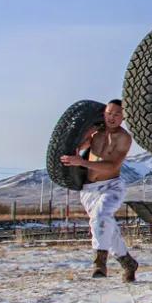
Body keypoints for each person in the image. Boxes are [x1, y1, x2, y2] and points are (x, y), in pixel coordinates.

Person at [60, 100, 139, 282]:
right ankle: (127, 262)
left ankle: (99, 262)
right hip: (89, 189)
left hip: (111, 186)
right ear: (104, 113)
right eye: (109, 113)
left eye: (117, 114)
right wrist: (84, 137)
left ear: (123, 117)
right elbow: (77, 146)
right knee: (105, 226)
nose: (112, 117)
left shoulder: (124, 138)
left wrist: (82, 162)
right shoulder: (95, 134)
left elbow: (112, 164)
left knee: (101, 215)